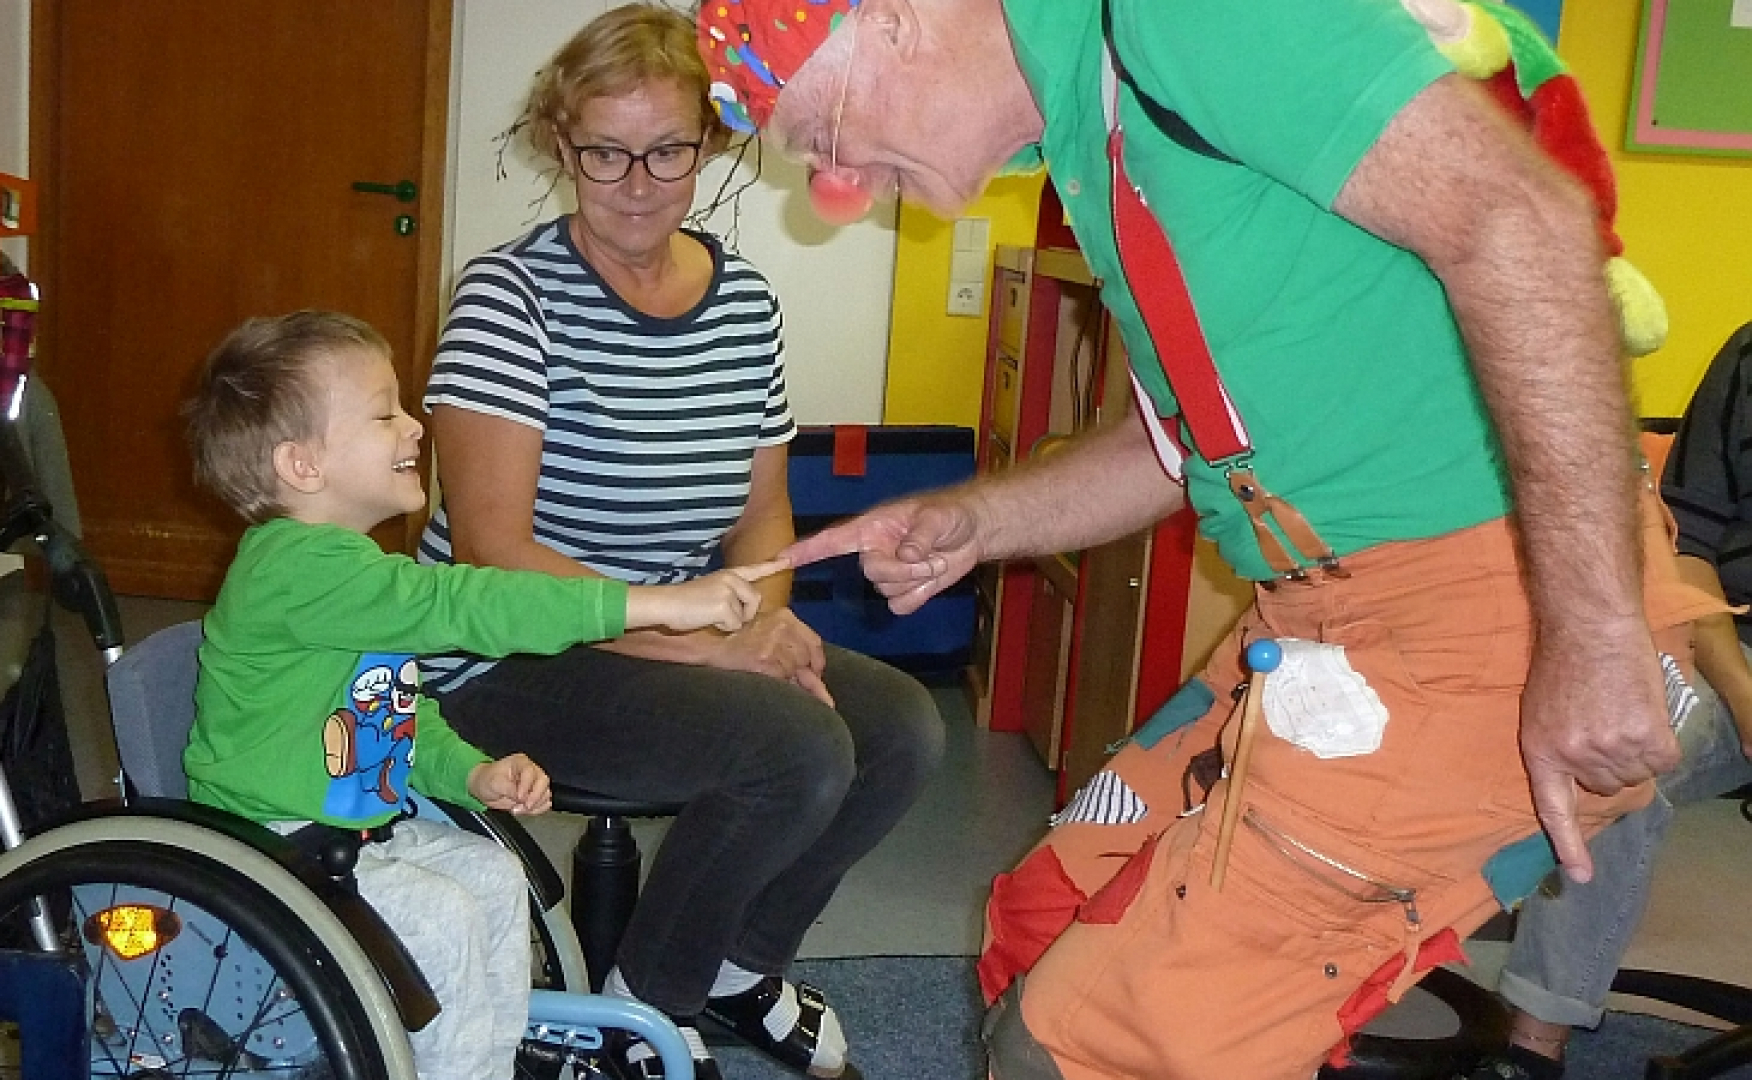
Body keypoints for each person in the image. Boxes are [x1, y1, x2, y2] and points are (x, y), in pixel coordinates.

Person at [695, 0, 1726, 1077]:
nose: (837, 187)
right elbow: (1183, 447)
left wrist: (1596, 634)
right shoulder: (1092, 127)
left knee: (1096, 1048)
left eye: (820, 133)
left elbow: (1524, 225)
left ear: (898, 22)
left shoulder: (1179, 15)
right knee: (1049, 919)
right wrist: (970, 519)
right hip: (1319, 619)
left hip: (1488, 614)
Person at [413, 7, 945, 1079]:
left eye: (667, 149)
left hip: (673, 620)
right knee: (791, 751)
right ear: (562, 148)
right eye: (605, 152)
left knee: (898, 728)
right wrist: (707, 643)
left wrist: (771, 620)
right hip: (504, 655)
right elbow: (493, 554)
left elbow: (759, 513)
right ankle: (635, 1018)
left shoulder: (744, 301)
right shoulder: (508, 299)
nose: (639, 181)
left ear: (707, 144)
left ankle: (735, 967)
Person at [179, 310, 781, 1080]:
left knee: (492, 877)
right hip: (271, 848)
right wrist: (657, 603)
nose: (415, 427)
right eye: (384, 412)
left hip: (345, 833)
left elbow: (390, 711)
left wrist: (468, 773)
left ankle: (483, 1063)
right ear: (303, 466)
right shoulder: (294, 568)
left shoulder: (347, 574)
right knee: (443, 918)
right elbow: (467, 605)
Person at [1472, 321, 1752, 1080]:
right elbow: (1688, 551)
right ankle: (1535, 1039)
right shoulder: (1747, 355)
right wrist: (1742, 692)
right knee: (1615, 753)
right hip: (1733, 649)